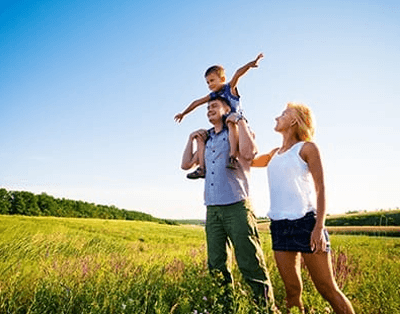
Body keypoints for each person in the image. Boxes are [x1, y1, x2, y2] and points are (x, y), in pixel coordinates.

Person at [252, 102, 355, 314]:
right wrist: (239, 128)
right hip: (279, 226)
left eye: (283, 114)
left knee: (327, 289)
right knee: (291, 291)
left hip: (307, 224)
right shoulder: (273, 154)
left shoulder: (307, 148)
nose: (276, 117)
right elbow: (247, 161)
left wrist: (319, 228)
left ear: (294, 121)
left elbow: (321, 188)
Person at [181, 96, 278, 313]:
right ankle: (225, 307)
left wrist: (240, 120)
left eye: (214, 106)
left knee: (249, 261)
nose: (209, 110)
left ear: (228, 109)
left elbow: (250, 153)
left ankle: (266, 309)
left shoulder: (235, 131)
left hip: (237, 206)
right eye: (207, 108)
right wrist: (190, 138)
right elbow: (186, 164)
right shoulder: (207, 140)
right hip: (212, 208)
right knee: (216, 265)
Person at [175, 53, 263, 179]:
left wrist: (251, 64)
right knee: (201, 137)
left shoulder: (229, 88)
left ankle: (232, 156)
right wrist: (183, 113)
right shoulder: (213, 95)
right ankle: (202, 168)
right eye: (207, 83)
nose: (210, 85)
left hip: (235, 121)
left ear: (222, 79)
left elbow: (238, 73)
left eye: (212, 80)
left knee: (230, 122)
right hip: (222, 126)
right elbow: (197, 102)